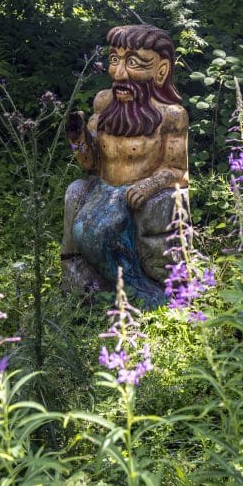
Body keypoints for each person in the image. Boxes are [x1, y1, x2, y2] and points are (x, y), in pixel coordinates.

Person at [62, 24, 188, 307]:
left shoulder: (171, 115)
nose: (119, 74)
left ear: (161, 70)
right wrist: (77, 137)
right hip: (103, 187)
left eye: (133, 63)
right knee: (74, 193)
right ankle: (77, 278)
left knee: (98, 230)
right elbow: (90, 164)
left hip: (135, 193)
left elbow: (180, 171)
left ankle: (135, 293)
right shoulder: (104, 103)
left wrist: (150, 184)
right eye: (114, 60)